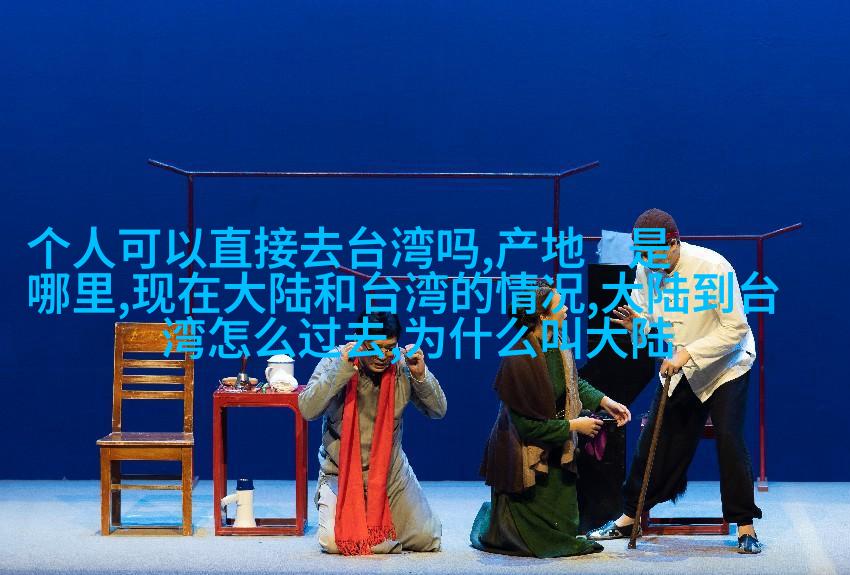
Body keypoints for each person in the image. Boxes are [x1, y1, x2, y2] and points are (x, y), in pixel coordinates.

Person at [587, 208, 763, 554]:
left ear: (674, 243)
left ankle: (745, 524)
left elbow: (735, 328)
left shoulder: (713, 267)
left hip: (726, 365)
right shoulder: (646, 269)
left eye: (653, 254)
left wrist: (688, 354)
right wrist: (638, 325)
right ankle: (629, 516)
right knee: (656, 437)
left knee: (729, 438)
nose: (647, 262)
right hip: (679, 365)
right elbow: (647, 319)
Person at [470, 280, 633, 558]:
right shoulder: (519, 359)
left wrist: (605, 401)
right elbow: (527, 427)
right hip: (526, 451)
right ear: (543, 316)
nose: (566, 308)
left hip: (556, 445)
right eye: (560, 305)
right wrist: (574, 426)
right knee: (543, 540)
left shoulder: (557, 343)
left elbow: (573, 384)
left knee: (566, 525)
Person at [299, 311, 447, 555]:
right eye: (374, 347)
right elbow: (307, 409)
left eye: (389, 348)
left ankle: (375, 531)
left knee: (427, 538)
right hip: (340, 473)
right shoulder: (337, 360)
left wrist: (422, 376)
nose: (382, 356)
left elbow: (438, 410)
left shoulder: (402, 366)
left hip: (390, 473)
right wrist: (341, 370)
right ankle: (375, 534)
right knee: (334, 542)